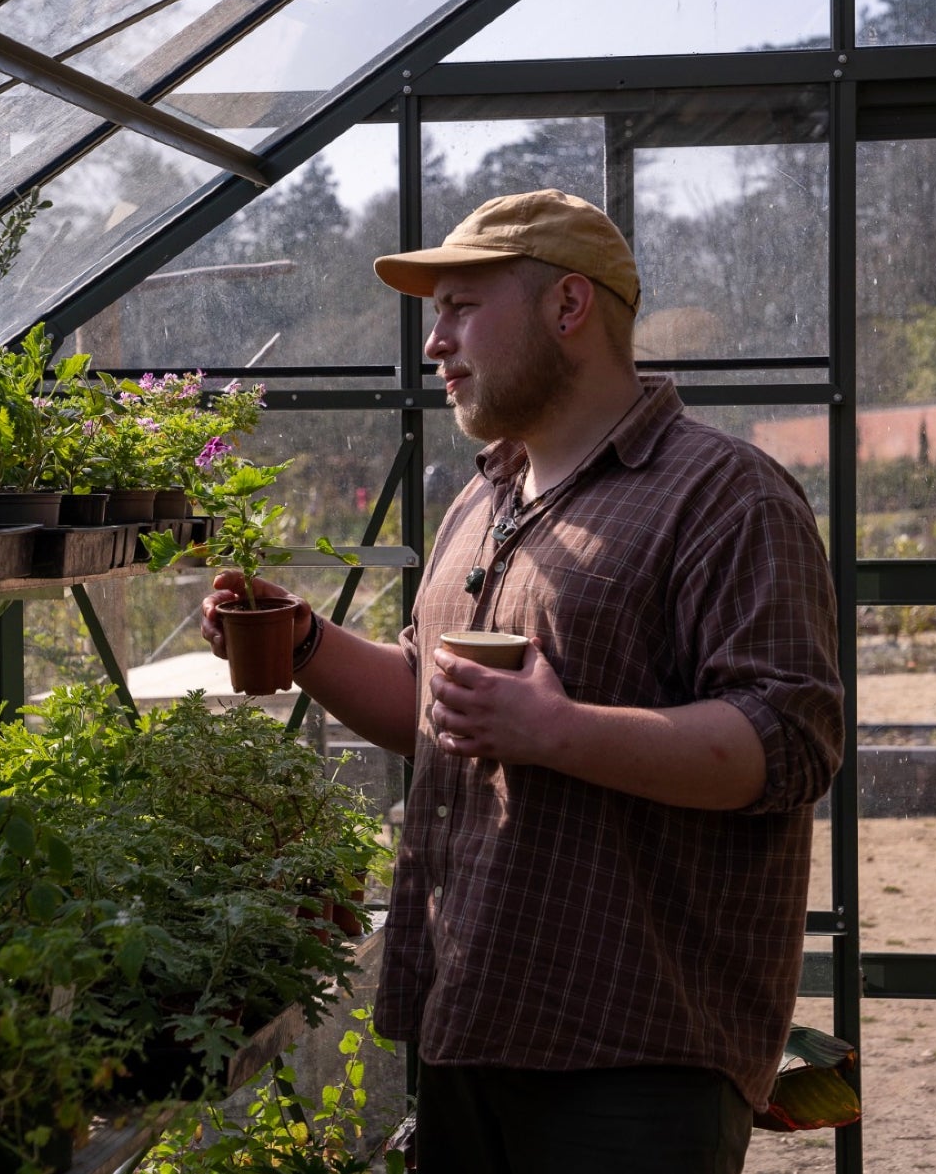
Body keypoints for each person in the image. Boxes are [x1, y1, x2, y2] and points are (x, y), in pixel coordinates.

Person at [200, 189, 844, 1173]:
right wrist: (302, 645)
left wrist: (554, 730)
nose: (434, 342)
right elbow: (435, 704)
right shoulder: (487, 491)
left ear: (568, 306)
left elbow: (789, 738)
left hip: (633, 1057)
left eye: (460, 306)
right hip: (476, 1017)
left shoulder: (724, 495)